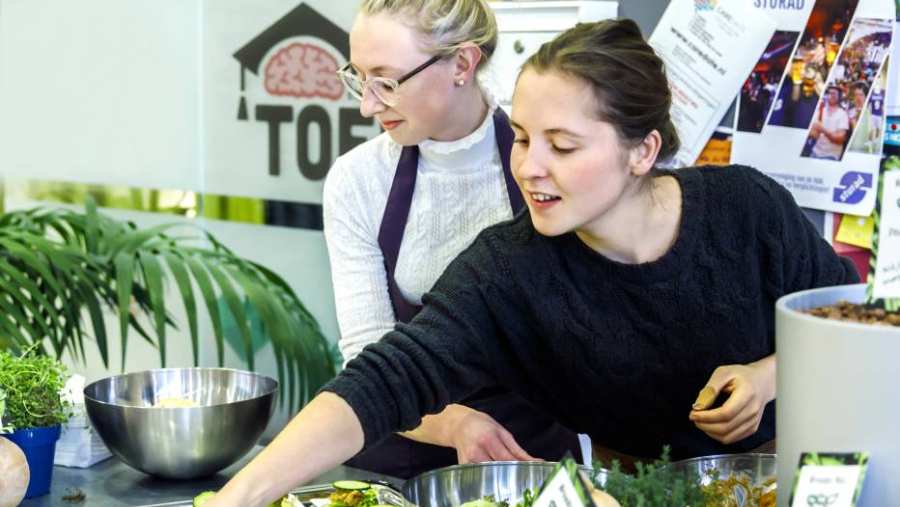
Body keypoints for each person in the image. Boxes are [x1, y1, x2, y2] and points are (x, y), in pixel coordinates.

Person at [206, 19, 858, 507]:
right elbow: (383, 378)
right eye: (520, 137)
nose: (530, 167)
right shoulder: (511, 270)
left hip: (787, 481)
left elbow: (855, 325)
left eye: (562, 145)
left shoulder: (744, 208)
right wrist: (241, 495)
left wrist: (771, 373)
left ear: (642, 150)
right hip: (626, 493)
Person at [321, 0, 579, 478]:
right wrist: (456, 424)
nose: (367, 103)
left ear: (462, 63)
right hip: (396, 458)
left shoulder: (547, 172)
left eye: (387, 80)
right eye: (359, 77)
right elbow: (367, 351)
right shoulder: (357, 180)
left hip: (530, 460)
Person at [808, 85, 850, 160]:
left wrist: (822, 129)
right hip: (815, 152)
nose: (831, 95)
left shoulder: (843, 114)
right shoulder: (820, 110)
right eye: (829, 93)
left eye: (834, 93)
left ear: (839, 97)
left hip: (831, 155)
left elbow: (840, 139)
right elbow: (813, 133)